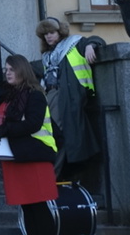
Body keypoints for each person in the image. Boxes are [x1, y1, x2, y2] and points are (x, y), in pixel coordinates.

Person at [0, 53, 58, 235]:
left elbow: (34, 124)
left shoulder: (34, 95)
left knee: (39, 207)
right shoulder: (10, 95)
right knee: (27, 206)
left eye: (11, 69)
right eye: (6, 69)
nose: (7, 73)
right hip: (18, 154)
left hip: (35, 154)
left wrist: (2, 130)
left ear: (22, 71)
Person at [37, 17, 104, 190]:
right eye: (45, 34)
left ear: (60, 32)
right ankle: (55, 175)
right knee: (54, 136)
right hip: (52, 96)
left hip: (68, 98)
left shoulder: (74, 44)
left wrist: (91, 45)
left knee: (59, 135)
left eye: (51, 32)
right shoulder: (47, 55)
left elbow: (96, 40)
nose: (48, 37)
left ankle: (54, 175)